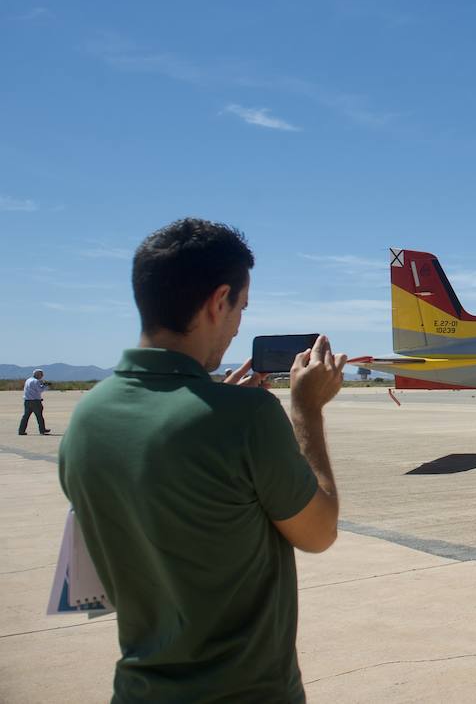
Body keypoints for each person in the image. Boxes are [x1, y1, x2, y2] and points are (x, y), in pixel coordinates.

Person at [59, 218, 346, 703]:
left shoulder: (88, 416)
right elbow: (319, 533)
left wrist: (210, 405)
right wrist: (306, 411)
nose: (238, 327)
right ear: (219, 301)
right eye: (240, 308)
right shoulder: (249, 417)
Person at [18, 368, 52, 435]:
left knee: (25, 416)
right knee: (39, 416)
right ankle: (42, 430)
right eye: (41, 374)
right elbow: (40, 390)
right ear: (37, 374)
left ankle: (21, 430)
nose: (42, 376)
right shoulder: (36, 381)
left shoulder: (28, 380)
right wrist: (45, 386)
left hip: (27, 401)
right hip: (35, 401)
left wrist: (42, 384)